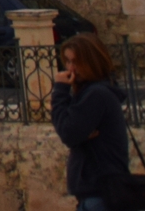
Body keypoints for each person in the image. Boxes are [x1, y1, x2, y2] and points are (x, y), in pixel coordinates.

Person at [51, 32, 128, 211]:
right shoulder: (89, 93)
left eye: (75, 62)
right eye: (68, 62)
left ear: (91, 62)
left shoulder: (97, 95)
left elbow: (68, 132)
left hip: (100, 194)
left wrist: (60, 91)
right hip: (93, 193)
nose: (70, 68)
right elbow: (71, 128)